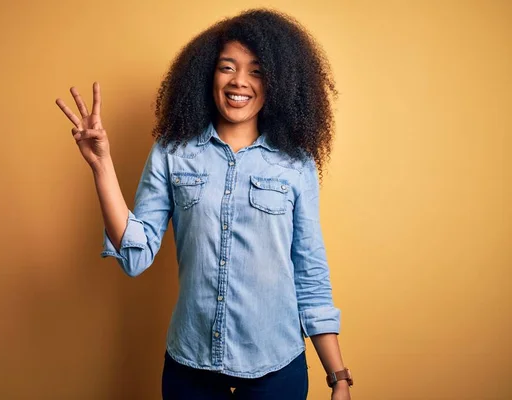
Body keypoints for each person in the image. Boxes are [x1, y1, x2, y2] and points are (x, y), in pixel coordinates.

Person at [56, 8, 352, 400]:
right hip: (190, 366)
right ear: (207, 74)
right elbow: (135, 255)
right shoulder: (173, 152)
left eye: (256, 71)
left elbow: (310, 273)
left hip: (276, 368)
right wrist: (102, 165)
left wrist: (339, 377)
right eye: (227, 67)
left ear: (278, 82)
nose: (239, 82)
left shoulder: (295, 164)